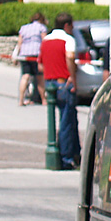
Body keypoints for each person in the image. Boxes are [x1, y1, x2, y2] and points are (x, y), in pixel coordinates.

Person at [40, 12, 80, 170]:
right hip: (64, 83)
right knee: (66, 121)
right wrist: (72, 77)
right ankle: (66, 158)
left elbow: (41, 63)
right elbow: (70, 59)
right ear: (66, 25)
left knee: (69, 118)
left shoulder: (46, 41)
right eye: (71, 26)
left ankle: (75, 152)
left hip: (50, 83)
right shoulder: (68, 40)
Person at [16, 12, 47, 106]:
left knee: (25, 76)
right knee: (40, 77)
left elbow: (20, 42)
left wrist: (17, 55)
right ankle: (43, 100)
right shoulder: (42, 27)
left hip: (24, 54)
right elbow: (45, 40)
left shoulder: (24, 28)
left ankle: (21, 100)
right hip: (36, 54)